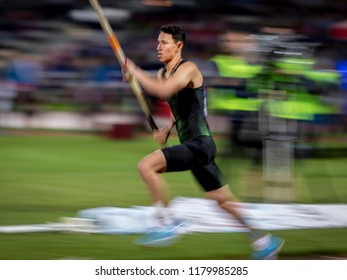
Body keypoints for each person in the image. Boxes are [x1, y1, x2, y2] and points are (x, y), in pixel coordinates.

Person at [122, 24, 284, 259]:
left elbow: (165, 91)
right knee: (223, 201)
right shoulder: (163, 72)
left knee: (146, 166)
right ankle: (264, 241)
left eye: (164, 42)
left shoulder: (188, 68)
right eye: (157, 42)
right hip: (196, 147)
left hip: (200, 144)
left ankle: (167, 222)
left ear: (179, 45)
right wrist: (167, 129)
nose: (158, 47)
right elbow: (177, 107)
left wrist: (135, 71)